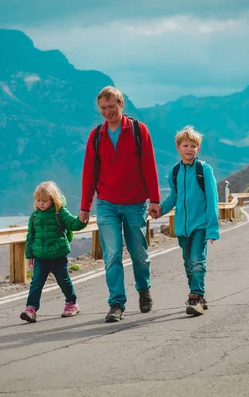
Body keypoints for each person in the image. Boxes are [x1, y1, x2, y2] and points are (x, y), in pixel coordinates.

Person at [79, 86, 161, 323]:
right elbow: (89, 173)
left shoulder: (138, 130)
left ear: (121, 104)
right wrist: (85, 207)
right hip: (107, 203)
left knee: (139, 253)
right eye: (103, 108)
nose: (107, 112)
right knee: (112, 254)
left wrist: (154, 199)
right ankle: (116, 303)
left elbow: (149, 165)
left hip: (136, 202)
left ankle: (144, 289)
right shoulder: (96, 136)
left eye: (111, 107)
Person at [154, 126, 220, 316]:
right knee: (188, 264)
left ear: (198, 148)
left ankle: (195, 297)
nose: (189, 149)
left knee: (197, 261)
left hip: (200, 225)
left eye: (193, 146)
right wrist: (160, 209)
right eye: (185, 145)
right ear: (178, 147)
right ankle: (199, 294)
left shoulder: (204, 170)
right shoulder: (174, 172)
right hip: (182, 227)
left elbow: (213, 200)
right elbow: (174, 197)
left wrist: (212, 229)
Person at [20, 181, 87, 323]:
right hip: (40, 256)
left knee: (63, 280)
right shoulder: (34, 216)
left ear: (53, 200)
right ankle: (31, 309)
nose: (41, 204)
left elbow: (72, 223)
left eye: (45, 201)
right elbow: (30, 236)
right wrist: (29, 255)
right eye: (38, 200)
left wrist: (82, 220)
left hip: (58, 255)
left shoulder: (60, 212)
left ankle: (72, 303)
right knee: (36, 283)